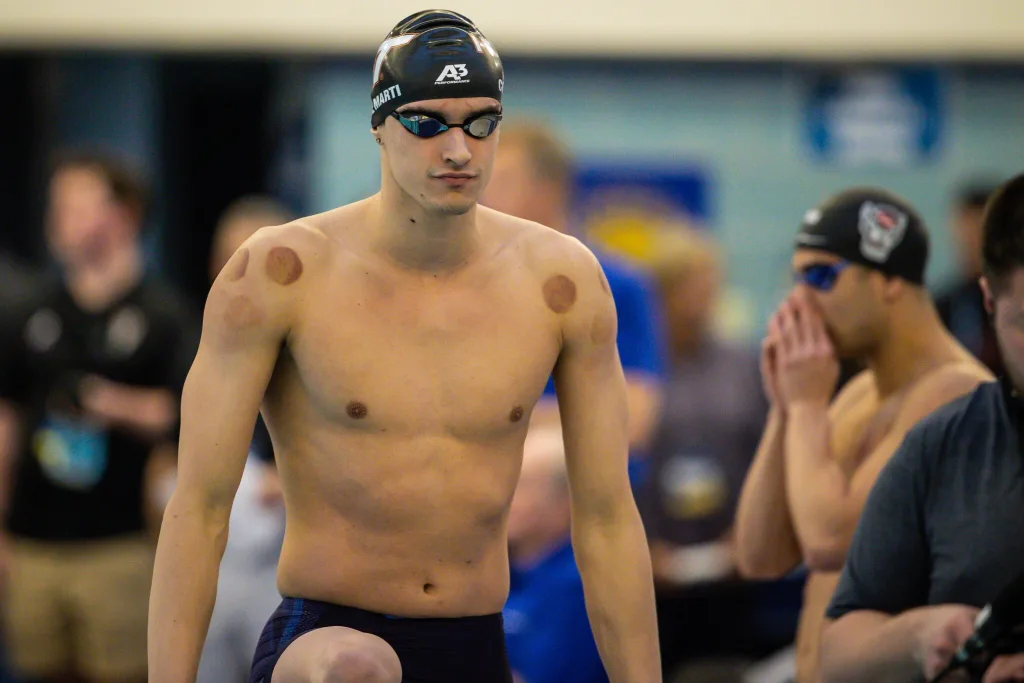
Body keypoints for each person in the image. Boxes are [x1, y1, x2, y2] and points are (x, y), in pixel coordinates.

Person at [148, 10, 661, 683]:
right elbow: (199, 508)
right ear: (379, 126)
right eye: (428, 123)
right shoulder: (282, 272)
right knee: (359, 670)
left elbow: (605, 518)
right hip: (331, 637)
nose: (458, 150)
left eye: (481, 123)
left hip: (477, 639)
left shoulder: (561, 282)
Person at [733, 187, 993, 683]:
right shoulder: (856, 396)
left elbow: (829, 541)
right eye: (796, 279)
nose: (798, 302)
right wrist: (786, 410)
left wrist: (808, 405)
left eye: (821, 276)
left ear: (888, 282)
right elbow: (761, 556)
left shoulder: (957, 394)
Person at [0, 150, 200, 683]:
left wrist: (110, 402)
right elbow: (6, 419)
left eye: (74, 205)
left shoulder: (164, 314)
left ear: (124, 214)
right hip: (32, 541)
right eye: (56, 205)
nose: (57, 219)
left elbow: (188, 414)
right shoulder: (30, 310)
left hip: (121, 545)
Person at [819, 172, 1024, 683]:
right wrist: (919, 635)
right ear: (990, 303)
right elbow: (840, 652)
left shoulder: (940, 389)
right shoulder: (944, 442)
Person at [479, 120, 665, 463]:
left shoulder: (615, 283)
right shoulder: (473, 285)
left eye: (503, 180)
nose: (485, 194)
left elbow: (634, 421)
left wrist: (496, 422)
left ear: (549, 189)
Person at [193, 196, 294, 683]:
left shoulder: (322, 350)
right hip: (212, 557)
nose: (245, 274)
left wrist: (292, 481)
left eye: (262, 259)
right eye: (233, 260)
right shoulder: (195, 344)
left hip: (286, 562)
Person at [504, 425, 608, 683]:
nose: (504, 498)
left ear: (565, 500)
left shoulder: (580, 585)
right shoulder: (495, 575)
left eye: (523, 485)